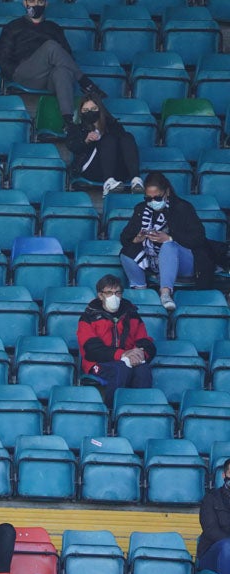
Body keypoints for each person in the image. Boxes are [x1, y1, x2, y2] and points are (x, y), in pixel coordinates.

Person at [0, 0, 104, 131]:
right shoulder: (13, 26)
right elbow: (2, 57)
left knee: (62, 71)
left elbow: (66, 57)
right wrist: (13, 74)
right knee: (51, 46)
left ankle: (68, 122)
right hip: (22, 72)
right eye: (32, 1)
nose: (36, 5)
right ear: (25, 3)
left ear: (46, 3)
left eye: (40, 2)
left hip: (47, 78)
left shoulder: (54, 28)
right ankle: (86, 83)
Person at [119, 171, 214, 311]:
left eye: (157, 198)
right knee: (126, 252)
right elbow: (124, 237)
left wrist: (169, 238)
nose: (152, 202)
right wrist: (137, 238)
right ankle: (140, 292)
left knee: (168, 246)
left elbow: (198, 238)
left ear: (166, 192)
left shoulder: (182, 208)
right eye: (148, 198)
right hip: (153, 260)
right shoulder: (141, 209)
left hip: (184, 261)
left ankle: (165, 293)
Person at [77, 274, 155, 405]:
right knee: (120, 369)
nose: (114, 296)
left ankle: (141, 412)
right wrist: (122, 354)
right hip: (97, 363)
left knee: (143, 370)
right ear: (100, 295)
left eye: (117, 293)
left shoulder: (132, 315)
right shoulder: (88, 317)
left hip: (128, 360)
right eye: (109, 293)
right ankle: (113, 412)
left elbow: (146, 341)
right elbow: (91, 349)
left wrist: (141, 353)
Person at [66, 94, 144, 196]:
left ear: (100, 109)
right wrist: (86, 140)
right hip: (91, 168)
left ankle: (136, 180)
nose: (90, 112)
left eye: (93, 109)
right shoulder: (77, 128)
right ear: (81, 112)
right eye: (85, 110)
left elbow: (123, 143)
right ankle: (108, 183)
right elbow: (72, 146)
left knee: (127, 136)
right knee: (108, 139)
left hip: (117, 169)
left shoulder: (112, 125)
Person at [198, 457, 230, 574]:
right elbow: (211, 530)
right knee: (227, 545)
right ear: (224, 475)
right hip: (212, 554)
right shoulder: (211, 498)